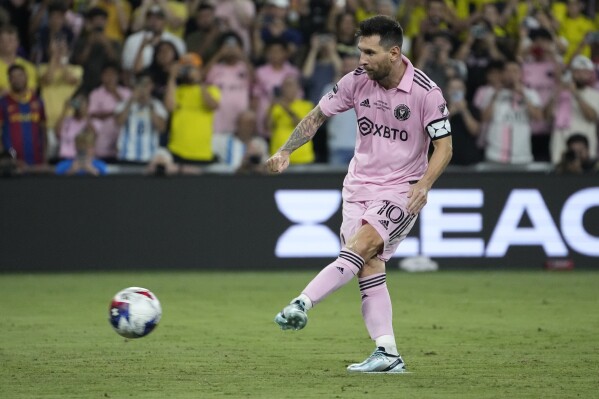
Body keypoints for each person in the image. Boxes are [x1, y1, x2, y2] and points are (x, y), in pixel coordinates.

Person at [267, 16, 452, 373]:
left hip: (402, 189)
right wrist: (286, 150)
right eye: (359, 51)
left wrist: (424, 184)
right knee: (368, 265)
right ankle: (387, 353)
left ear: (394, 53)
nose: (361, 59)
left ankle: (301, 303)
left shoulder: (426, 93)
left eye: (369, 52)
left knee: (361, 247)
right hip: (358, 187)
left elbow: (444, 147)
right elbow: (318, 116)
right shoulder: (356, 81)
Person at [0, 65, 47, 167]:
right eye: (14, 77)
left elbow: (43, 131)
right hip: (12, 161)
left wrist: (45, 157)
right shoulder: (3, 103)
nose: (18, 79)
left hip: (37, 160)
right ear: (9, 80)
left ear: (26, 77)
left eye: (20, 75)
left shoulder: (37, 101)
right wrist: (7, 158)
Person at [115, 74, 168, 164]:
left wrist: (150, 106)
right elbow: (119, 122)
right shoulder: (124, 104)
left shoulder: (157, 105)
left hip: (150, 156)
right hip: (127, 154)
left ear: (151, 86)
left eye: (147, 85)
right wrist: (131, 101)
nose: (143, 88)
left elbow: (161, 128)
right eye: (141, 85)